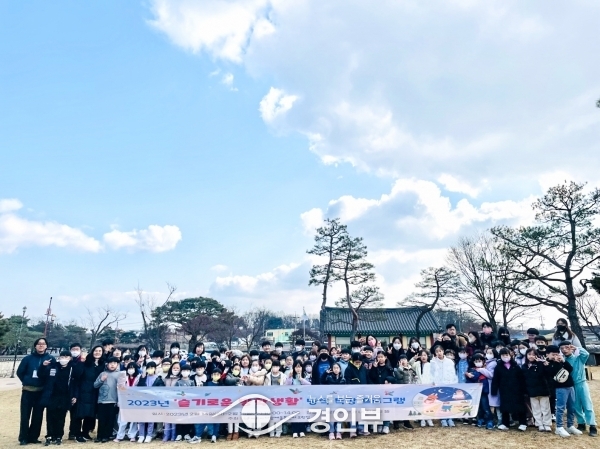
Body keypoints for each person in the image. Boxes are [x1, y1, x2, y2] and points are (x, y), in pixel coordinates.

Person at [16, 337, 54, 446]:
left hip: (41, 391)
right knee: (25, 415)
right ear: (35, 346)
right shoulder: (27, 358)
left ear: (46, 346)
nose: (41, 345)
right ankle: (23, 437)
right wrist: (26, 380)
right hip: (28, 391)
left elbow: (53, 373)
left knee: (38, 416)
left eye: (43, 344)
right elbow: (20, 372)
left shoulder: (50, 358)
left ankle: (33, 437)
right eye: (39, 343)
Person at [38, 350, 75, 446]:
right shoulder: (53, 366)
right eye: (62, 357)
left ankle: (59, 436)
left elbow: (76, 383)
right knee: (50, 416)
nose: (64, 359)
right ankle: (50, 435)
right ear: (59, 357)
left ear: (70, 358)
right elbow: (41, 375)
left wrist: (74, 395)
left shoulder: (73, 368)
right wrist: (43, 366)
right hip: (52, 395)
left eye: (66, 357)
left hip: (65, 396)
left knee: (61, 417)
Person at [560, 342, 597, 437]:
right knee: (576, 406)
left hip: (582, 384)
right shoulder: (563, 361)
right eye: (562, 348)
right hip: (571, 386)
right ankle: (581, 423)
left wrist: (576, 348)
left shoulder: (579, 358)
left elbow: (586, 354)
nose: (564, 350)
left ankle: (592, 425)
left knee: (587, 404)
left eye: (566, 347)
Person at [545, 345, 581, 437]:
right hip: (560, 388)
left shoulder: (562, 361)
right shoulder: (547, 364)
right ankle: (559, 427)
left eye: (557, 354)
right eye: (553, 354)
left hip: (570, 386)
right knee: (560, 408)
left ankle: (570, 425)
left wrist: (564, 361)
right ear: (547, 354)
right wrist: (555, 362)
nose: (555, 356)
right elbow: (551, 373)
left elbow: (570, 369)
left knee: (571, 407)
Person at [73, 345, 105, 443]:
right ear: (92, 352)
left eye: (100, 351)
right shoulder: (85, 363)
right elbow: (77, 378)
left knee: (90, 414)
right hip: (83, 391)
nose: (97, 352)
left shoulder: (102, 365)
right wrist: (75, 394)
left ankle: (85, 432)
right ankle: (77, 434)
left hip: (95, 393)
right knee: (79, 414)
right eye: (96, 350)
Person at [491, 348, 527, 431]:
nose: (505, 357)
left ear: (510, 355)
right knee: (505, 407)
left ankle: (523, 423)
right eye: (503, 355)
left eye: (506, 355)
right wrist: (494, 390)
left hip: (517, 390)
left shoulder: (516, 366)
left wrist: (524, 390)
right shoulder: (498, 367)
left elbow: (521, 379)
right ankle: (505, 423)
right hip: (504, 390)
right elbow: (495, 380)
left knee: (520, 406)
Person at [521, 348, 552, 432]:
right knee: (535, 409)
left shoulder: (541, 364)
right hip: (531, 390)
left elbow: (545, 374)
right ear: (526, 355)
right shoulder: (524, 366)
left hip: (543, 389)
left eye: (533, 355)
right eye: (529, 354)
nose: (531, 356)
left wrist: (542, 363)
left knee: (545, 408)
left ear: (537, 356)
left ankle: (547, 424)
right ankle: (539, 424)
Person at [93, 356, 120, 443]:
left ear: (117, 365)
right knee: (101, 419)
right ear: (107, 364)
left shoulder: (119, 374)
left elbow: (122, 388)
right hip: (102, 401)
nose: (112, 365)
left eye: (114, 363)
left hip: (113, 401)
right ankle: (99, 436)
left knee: (110, 419)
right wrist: (101, 380)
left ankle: (106, 436)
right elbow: (95, 385)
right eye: (110, 363)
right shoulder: (102, 374)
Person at [430, 345, 458, 427]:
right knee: (441, 402)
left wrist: (454, 383)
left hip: (449, 384)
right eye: (437, 351)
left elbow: (453, 373)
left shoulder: (449, 362)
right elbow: (431, 373)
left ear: (443, 351)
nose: (439, 353)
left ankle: (450, 418)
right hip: (439, 385)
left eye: (440, 351)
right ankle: (443, 419)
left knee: (449, 402)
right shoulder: (433, 362)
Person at [465, 353, 494, 430]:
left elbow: (489, 376)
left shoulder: (485, 369)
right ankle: (480, 419)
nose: (478, 363)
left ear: (483, 361)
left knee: (485, 407)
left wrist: (477, 372)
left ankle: (489, 421)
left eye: (479, 361)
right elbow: (471, 379)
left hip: (484, 391)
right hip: (476, 392)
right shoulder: (471, 370)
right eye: (476, 361)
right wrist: (467, 375)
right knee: (479, 407)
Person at [115, 362, 140, 442]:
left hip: (134, 401)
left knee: (133, 419)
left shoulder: (139, 377)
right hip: (124, 400)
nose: (130, 370)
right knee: (122, 419)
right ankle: (119, 436)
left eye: (132, 368)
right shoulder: (123, 377)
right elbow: (119, 389)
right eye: (129, 368)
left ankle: (132, 435)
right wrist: (119, 400)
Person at [323, 363, 346, 439]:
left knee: (339, 415)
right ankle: (331, 432)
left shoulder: (343, 379)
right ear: (332, 369)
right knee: (331, 416)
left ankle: (338, 432)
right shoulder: (328, 377)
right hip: (330, 399)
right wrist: (325, 373)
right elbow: (321, 381)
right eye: (334, 368)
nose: (336, 369)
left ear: (340, 369)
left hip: (339, 399)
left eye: (337, 368)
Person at [67, 342, 85, 441]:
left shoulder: (82, 362)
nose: (75, 351)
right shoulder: (66, 360)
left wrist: (76, 395)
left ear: (80, 350)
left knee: (76, 414)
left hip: (77, 391)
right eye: (73, 349)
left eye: (77, 349)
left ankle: (74, 432)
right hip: (65, 391)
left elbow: (79, 377)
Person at [392, 356, 416, 430]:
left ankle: (406, 422)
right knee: (398, 406)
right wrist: (400, 368)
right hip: (400, 391)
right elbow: (399, 377)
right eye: (401, 359)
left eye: (405, 359)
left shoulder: (411, 369)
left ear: (407, 360)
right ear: (399, 361)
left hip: (409, 391)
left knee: (407, 406)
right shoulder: (396, 369)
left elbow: (414, 377)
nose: (403, 361)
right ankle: (396, 422)